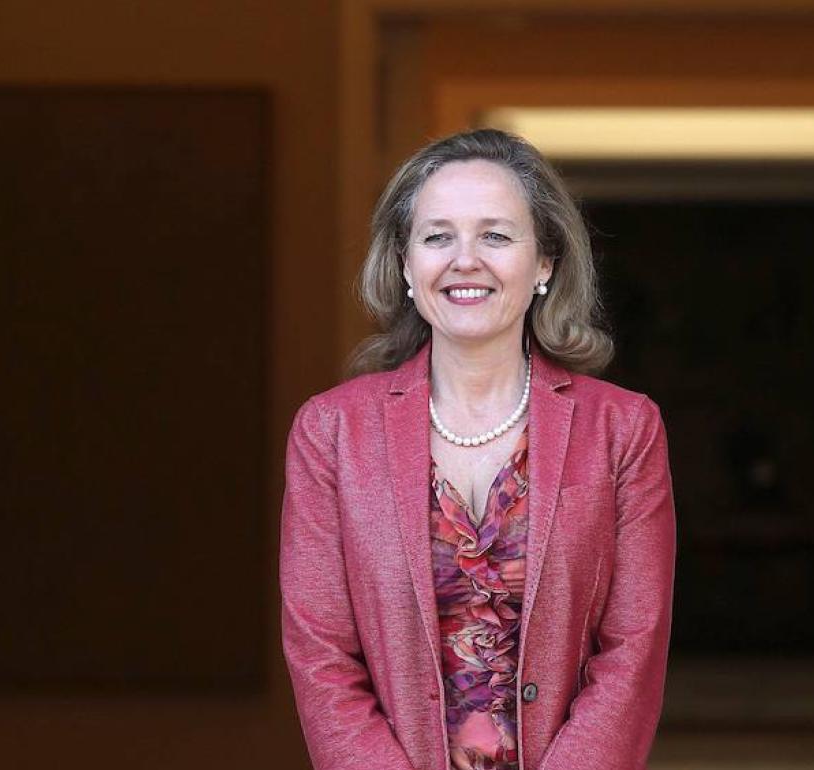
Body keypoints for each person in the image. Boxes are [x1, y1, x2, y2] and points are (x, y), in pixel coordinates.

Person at [279, 128, 676, 770]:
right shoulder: (331, 432)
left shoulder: (623, 429)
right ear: (405, 264)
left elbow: (633, 646)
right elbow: (321, 655)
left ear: (545, 262)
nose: (465, 260)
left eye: (495, 236)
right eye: (438, 237)